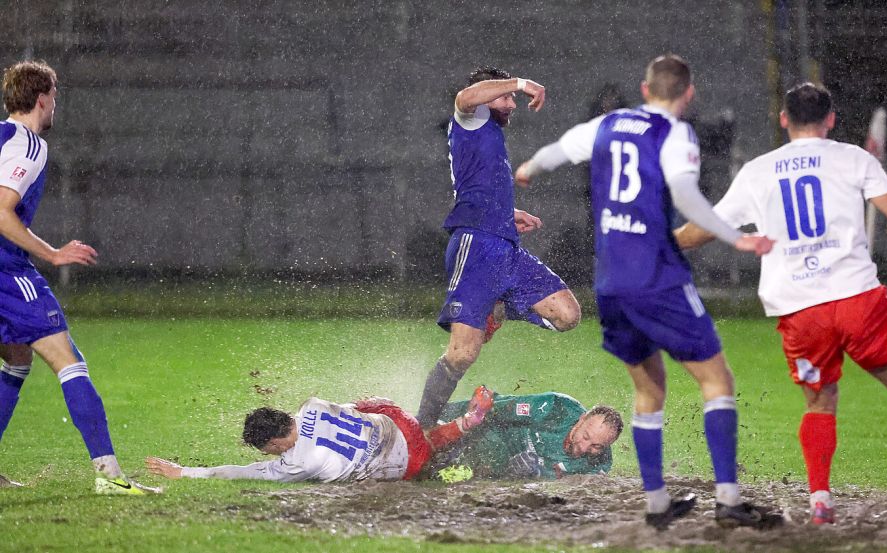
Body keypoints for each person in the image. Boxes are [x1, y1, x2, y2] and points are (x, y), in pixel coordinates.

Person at [674, 82, 887, 524]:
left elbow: (704, 228)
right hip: (858, 300)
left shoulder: (758, 171)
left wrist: (660, 245)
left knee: (819, 406)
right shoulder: (853, 158)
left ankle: (820, 501)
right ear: (831, 119)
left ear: (784, 120)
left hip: (801, 310)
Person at [514, 54, 778, 530]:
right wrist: (736, 236)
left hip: (611, 282)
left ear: (644, 87)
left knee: (649, 388)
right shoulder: (675, 133)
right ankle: (729, 500)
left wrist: (529, 168)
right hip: (656, 275)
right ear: (688, 94)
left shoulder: (611, 122)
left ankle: (657, 502)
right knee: (717, 381)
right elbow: (688, 197)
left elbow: (557, 151)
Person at [0, 61, 154, 494]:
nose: (55, 107)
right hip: (7, 271)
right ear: (43, 99)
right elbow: (1, 211)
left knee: (16, 359)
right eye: (55, 98)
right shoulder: (28, 145)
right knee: (70, 363)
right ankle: (109, 476)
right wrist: (52, 253)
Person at [415, 67, 582, 430]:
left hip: (505, 247)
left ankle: (502, 304)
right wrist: (522, 83)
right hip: (475, 247)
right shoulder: (471, 117)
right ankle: (423, 427)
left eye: (512, 96)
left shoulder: (487, 133)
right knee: (462, 355)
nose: (512, 103)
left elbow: (476, 185)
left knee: (568, 315)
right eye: (506, 98)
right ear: (487, 97)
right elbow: (464, 97)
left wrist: (508, 214)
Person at [146, 386, 495, 483]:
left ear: (273, 443)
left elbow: (240, 472)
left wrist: (186, 472)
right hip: (395, 417)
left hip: (404, 461)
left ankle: (465, 425)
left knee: (425, 456)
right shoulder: (311, 405)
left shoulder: (297, 464)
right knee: (372, 408)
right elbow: (353, 408)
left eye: (267, 449)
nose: (269, 456)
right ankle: (460, 420)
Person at [435, 392, 622, 479]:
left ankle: (439, 468)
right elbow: (494, 410)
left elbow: (574, 486)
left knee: (492, 466)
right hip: (490, 427)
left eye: (596, 446)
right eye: (586, 436)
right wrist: (453, 426)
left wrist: (537, 473)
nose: (584, 447)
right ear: (581, 420)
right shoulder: (554, 408)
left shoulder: (600, 462)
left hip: (499, 462)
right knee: (494, 453)